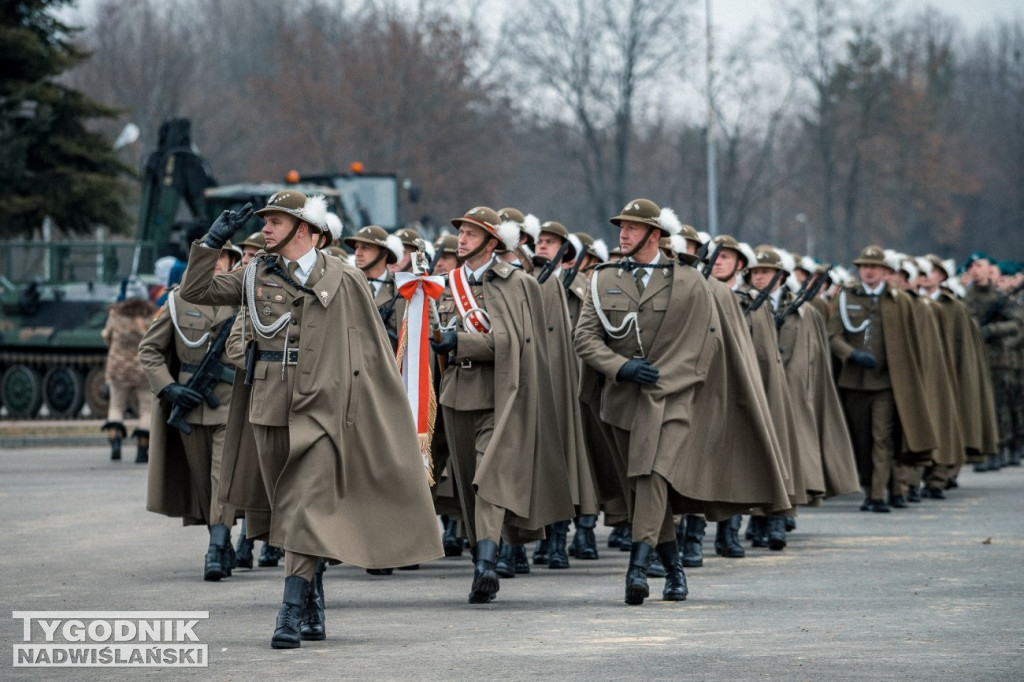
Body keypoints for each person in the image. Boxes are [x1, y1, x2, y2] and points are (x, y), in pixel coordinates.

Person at [177, 190, 443, 649]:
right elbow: (196, 292)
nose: (265, 229)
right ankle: (315, 593)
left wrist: (376, 407)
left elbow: (370, 348)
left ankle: (290, 609)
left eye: (274, 223)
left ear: (302, 228)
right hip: (269, 402)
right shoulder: (253, 273)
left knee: (306, 501)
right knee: (290, 509)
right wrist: (210, 242)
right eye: (264, 223)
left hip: (323, 408)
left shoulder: (343, 276)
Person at [575, 198, 790, 605]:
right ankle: (674, 570)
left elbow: (705, 341)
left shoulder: (690, 281)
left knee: (654, 475)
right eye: (622, 227)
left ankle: (636, 569)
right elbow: (585, 338)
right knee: (642, 487)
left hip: (672, 399)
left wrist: (670, 379)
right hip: (623, 399)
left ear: (654, 235)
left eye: (633, 228)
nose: (623, 234)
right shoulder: (602, 280)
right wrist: (620, 367)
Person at [430, 206, 574, 604]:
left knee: (489, 479)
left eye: (471, 234)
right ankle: (484, 556)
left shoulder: (516, 284)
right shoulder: (447, 284)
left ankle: (486, 564)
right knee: (469, 482)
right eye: (460, 232)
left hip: (501, 395)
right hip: (457, 393)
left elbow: (514, 343)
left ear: (493, 242)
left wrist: (460, 342)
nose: (461, 239)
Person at [139, 241, 244, 581]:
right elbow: (151, 349)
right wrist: (168, 387)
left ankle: (215, 548)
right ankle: (222, 537)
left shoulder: (245, 301)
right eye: (210, 258)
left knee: (221, 477)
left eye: (223, 258)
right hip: (189, 407)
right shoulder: (177, 300)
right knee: (203, 483)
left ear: (232, 262)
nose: (216, 263)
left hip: (230, 404)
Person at [827, 246, 937, 513]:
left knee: (882, 438)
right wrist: (851, 354)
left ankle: (878, 495)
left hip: (887, 383)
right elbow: (833, 336)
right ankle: (869, 487)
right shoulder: (845, 298)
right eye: (864, 266)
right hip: (854, 381)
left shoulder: (899, 300)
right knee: (861, 440)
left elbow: (912, 341)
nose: (869, 270)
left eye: (874, 266)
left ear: (886, 271)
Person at [100, 279, 156, 463]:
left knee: (116, 406)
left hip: (118, 368)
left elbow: (106, 335)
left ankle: (115, 442)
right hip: (143, 368)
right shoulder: (151, 315)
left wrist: (115, 349)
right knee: (147, 410)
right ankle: (142, 449)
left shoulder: (116, 314)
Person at [344, 225, 405, 350]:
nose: (357, 253)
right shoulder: (345, 287)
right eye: (356, 248)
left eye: (365, 248)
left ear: (384, 253)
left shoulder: (401, 293)